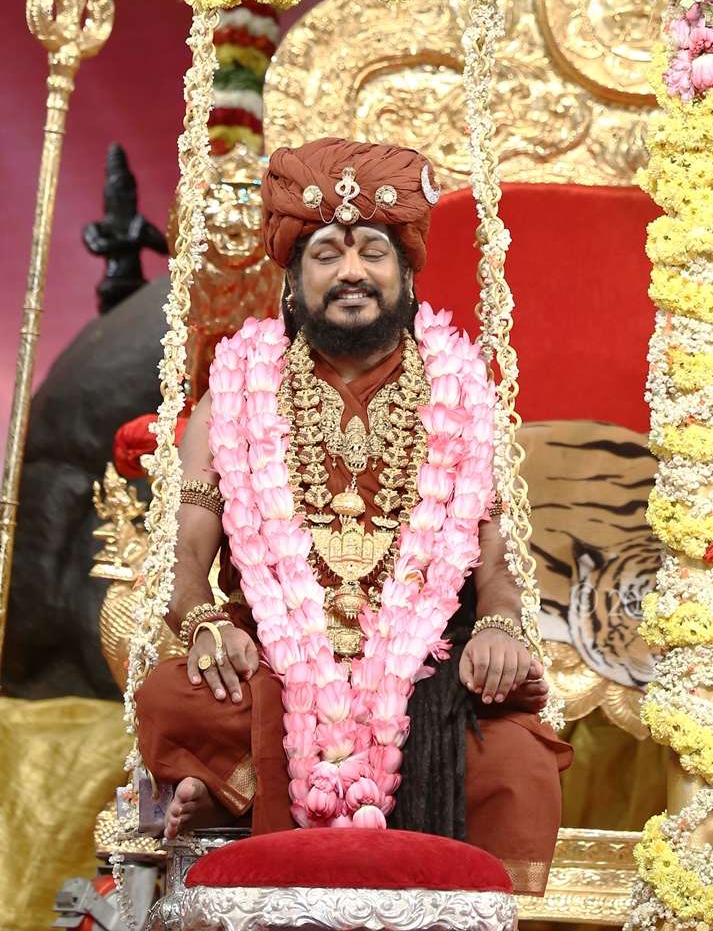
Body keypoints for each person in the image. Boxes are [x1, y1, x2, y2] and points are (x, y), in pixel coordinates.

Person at [135, 136, 570, 893]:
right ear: (293, 278)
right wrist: (204, 621)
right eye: (326, 255)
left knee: (517, 760)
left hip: (424, 675)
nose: (352, 273)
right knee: (173, 696)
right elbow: (183, 552)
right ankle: (241, 783)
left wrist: (498, 627)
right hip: (272, 665)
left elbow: (498, 562)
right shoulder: (231, 394)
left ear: (406, 273)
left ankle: (237, 794)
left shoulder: (464, 395)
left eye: (373, 251)